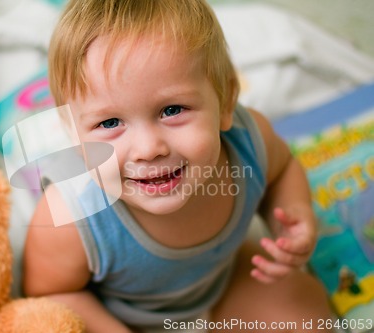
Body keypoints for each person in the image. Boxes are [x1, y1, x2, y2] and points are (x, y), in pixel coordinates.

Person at [23, 0, 333, 332]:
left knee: (306, 313)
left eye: (172, 110)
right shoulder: (71, 214)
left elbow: (282, 171)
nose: (148, 149)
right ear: (72, 132)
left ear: (226, 100)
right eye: (110, 122)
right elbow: (52, 293)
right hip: (122, 318)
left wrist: (292, 212)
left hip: (224, 282)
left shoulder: (250, 142)